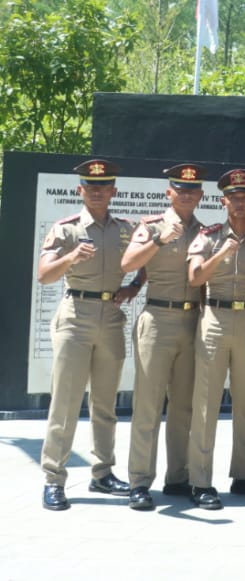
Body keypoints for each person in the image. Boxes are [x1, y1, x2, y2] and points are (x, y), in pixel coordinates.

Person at [37, 159, 141, 510]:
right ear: (80, 190)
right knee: (65, 401)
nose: (97, 192)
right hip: (76, 316)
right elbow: (44, 275)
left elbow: (150, 261)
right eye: (90, 186)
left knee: (105, 402)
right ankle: (54, 478)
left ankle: (103, 472)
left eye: (103, 187)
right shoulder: (66, 229)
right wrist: (70, 258)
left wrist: (134, 286)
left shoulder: (126, 229)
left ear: (113, 192)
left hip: (111, 316)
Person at [121, 163, 207, 511]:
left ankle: (178, 477)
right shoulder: (152, 226)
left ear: (200, 196)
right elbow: (129, 263)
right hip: (157, 319)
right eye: (179, 190)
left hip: (191, 321)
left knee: (184, 407)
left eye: (192, 191)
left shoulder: (205, 231)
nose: (186, 195)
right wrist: (159, 240)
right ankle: (140, 482)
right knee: (148, 405)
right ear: (169, 193)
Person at [185, 168, 245, 510]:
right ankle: (201, 481)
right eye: (232, 198)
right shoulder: (208, 237)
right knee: (206, 403)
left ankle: (243, 473)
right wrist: (222, 253)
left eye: (244, 198)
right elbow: (194, 278)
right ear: (223, 201)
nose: (238, 203)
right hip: (215, 320)